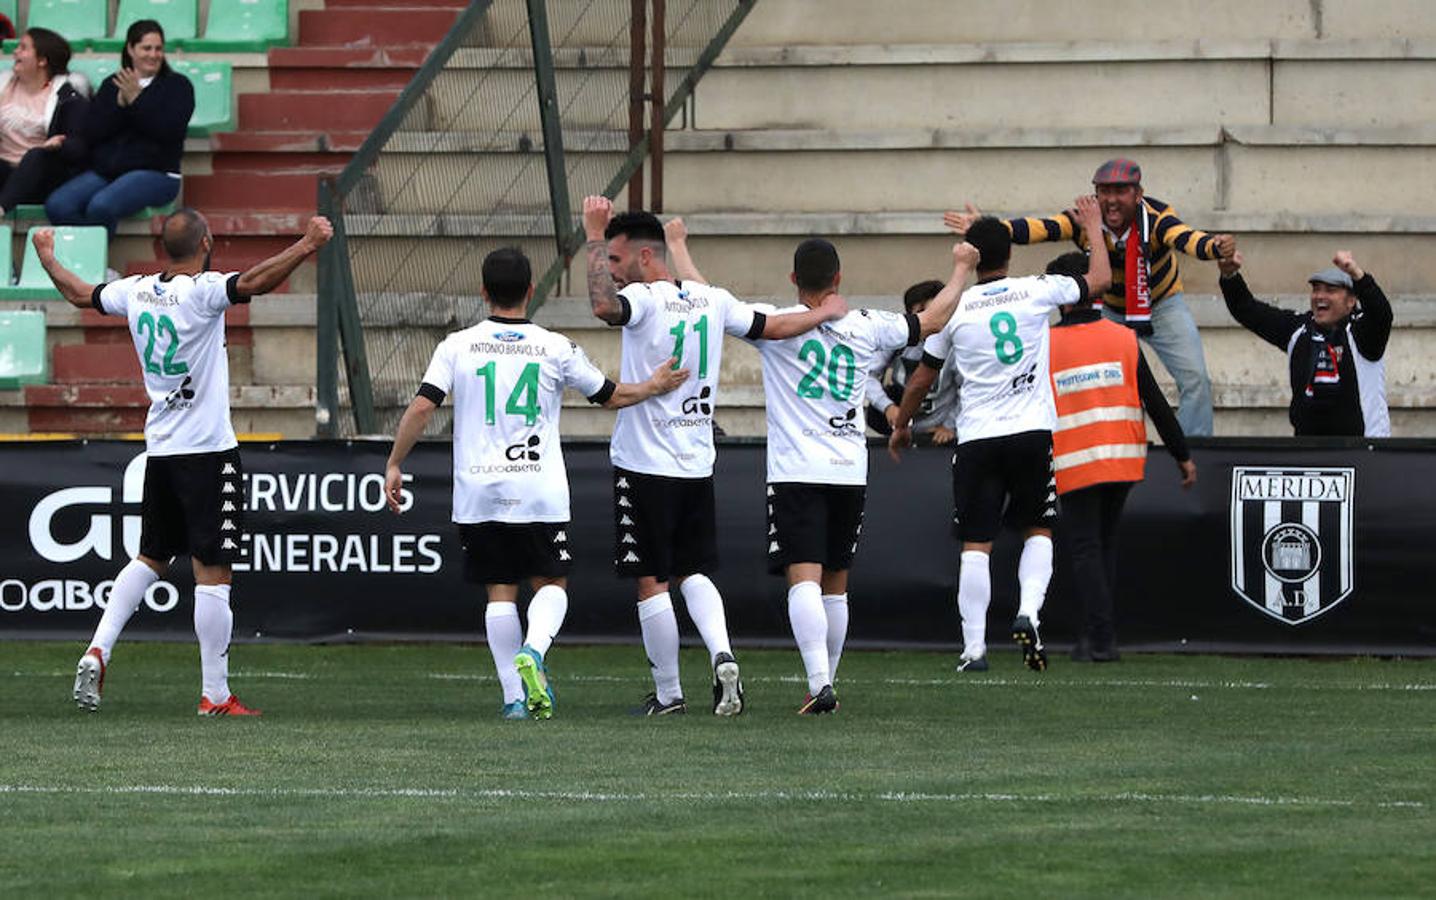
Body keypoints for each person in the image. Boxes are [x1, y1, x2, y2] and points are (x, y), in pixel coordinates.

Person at [40, 209, 334, 715]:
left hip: (161, 448)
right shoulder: (201, 291)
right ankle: (215, 695)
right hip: (207, 451)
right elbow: (256, 282)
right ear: (206, 242)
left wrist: (46, 255)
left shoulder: (134, 291)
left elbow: (78, 293)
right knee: (213, 570)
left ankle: (98, 646)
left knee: (151, 556)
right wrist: (307, 244)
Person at [387, 247, 689, 721]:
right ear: (531, 291)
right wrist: (652, 387)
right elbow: (609, 396)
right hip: (539, 489)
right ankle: (534, 650)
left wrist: (394, 462)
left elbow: (423, 407)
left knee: (499, 590)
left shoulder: (456, 345)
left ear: (483, 292)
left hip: (479, 492)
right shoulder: (555, 346)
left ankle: (514, 698)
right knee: (551, 582)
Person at [680, 236, 975, 714]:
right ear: (838, 278)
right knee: (836, 583)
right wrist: (961, 269)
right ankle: (826, 683)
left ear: (794, 280)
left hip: (797, 471)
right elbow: (933, 320)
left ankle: (819, 684)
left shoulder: (776, 326)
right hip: (849, 469)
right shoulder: (868, 326)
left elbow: (711, 301)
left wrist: (679, 247)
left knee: (804, 580)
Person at [583, 198, 848, 716]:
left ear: (643, 258)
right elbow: (772, 328)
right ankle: (722, 652)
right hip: (696, 460)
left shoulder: (643, 297)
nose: (610, 272)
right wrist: (822, 313)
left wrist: (593, 234)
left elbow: (602, 308)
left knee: (651, 579)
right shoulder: (711, 300)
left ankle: (669, 695)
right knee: (695, 569)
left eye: (614, 261)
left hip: (643, 461)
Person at [890, 197, 1111, 673]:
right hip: (1031, 432)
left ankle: (974, 649)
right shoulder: (1036, 289)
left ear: (972, 258)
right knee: (1039, 529)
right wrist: (1092, 227)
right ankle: (1029, 613)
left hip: (977, 439)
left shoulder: (956, 309)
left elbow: (922, 379)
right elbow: (1100, 281)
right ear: (1009, 254)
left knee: (976, 542)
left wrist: (902, 425)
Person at [945, 158, 1236, 436]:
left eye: (1121, 191)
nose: (1111, 200)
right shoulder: (1086, 219)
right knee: (1104, 381)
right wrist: (991, 229)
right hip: (1107, 308)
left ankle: (1194, 446)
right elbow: (1042, 228)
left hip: (1162, 305)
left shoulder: (1157, 217)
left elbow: (1186, 238)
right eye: (1104, 191)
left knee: (1196, 379)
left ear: (1138, 195)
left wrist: (1215, 246)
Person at [1044, 251, 1197, 662]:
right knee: (1103, 546)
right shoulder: (1123, 337)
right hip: (1124, 460)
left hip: (1077, 462)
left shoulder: (1047, 344)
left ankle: (1100, 637)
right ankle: (1092, 636)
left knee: (1086, 549)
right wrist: (1182, 454)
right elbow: (1156, 402)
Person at [1218, 251, 1392, 437]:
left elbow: (1381, 313)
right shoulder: (1299, 329)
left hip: (1364, 450)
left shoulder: (1363, 331)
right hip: (1307, 451)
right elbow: (1248, 310)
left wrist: (1357, 274)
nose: (1319, 296)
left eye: (1330, 290)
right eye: (1316, 289)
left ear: (1351, 301)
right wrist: (1230, 276)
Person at [45, 20, 192, 233]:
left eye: (158, 49)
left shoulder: (178, 86)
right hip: (109, 171)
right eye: (146, 48)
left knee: (101, 206)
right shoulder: (111, 85)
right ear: (131, 49)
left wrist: (137, 102)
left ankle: (96, 264)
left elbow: (168, 131)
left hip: (158, 173)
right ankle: (90, 260)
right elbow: (93, 133)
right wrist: (121, 105)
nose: (153, 55)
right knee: (58, 205)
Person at [0, 28, 88, 214]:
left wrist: (59, 145)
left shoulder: (67, 97)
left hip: (42, 177)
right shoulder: (3, 86)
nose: (15, 52)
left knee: (36, 155)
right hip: (5, 171)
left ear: (42, 60)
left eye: (23, 48)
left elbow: (81, 147)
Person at [863, 279, 961, 444]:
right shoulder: (898, 339)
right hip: (902, 424)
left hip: (940, 428)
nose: (932, 319)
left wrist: (950, 425)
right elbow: (867, 375)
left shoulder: (956, 342)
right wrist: (887, 407)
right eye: (922, 312)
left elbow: (966, 388)